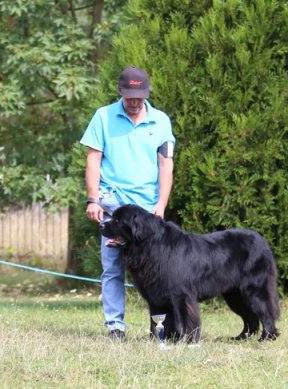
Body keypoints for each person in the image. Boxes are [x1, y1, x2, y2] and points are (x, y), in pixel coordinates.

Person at [80, 66, 175, 341]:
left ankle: (159, 328)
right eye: (130, 96)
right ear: (121, 92)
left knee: (156, 270)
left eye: (139, 97)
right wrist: (93, 198)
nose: (134, 102)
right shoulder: (103, 117)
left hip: (147, 210)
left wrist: (161, 203)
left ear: (146, 93)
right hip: (113, 204)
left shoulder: (161, 121)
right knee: (112, 267)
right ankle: (115, 326)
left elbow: (166, 164)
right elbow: (93, 159)